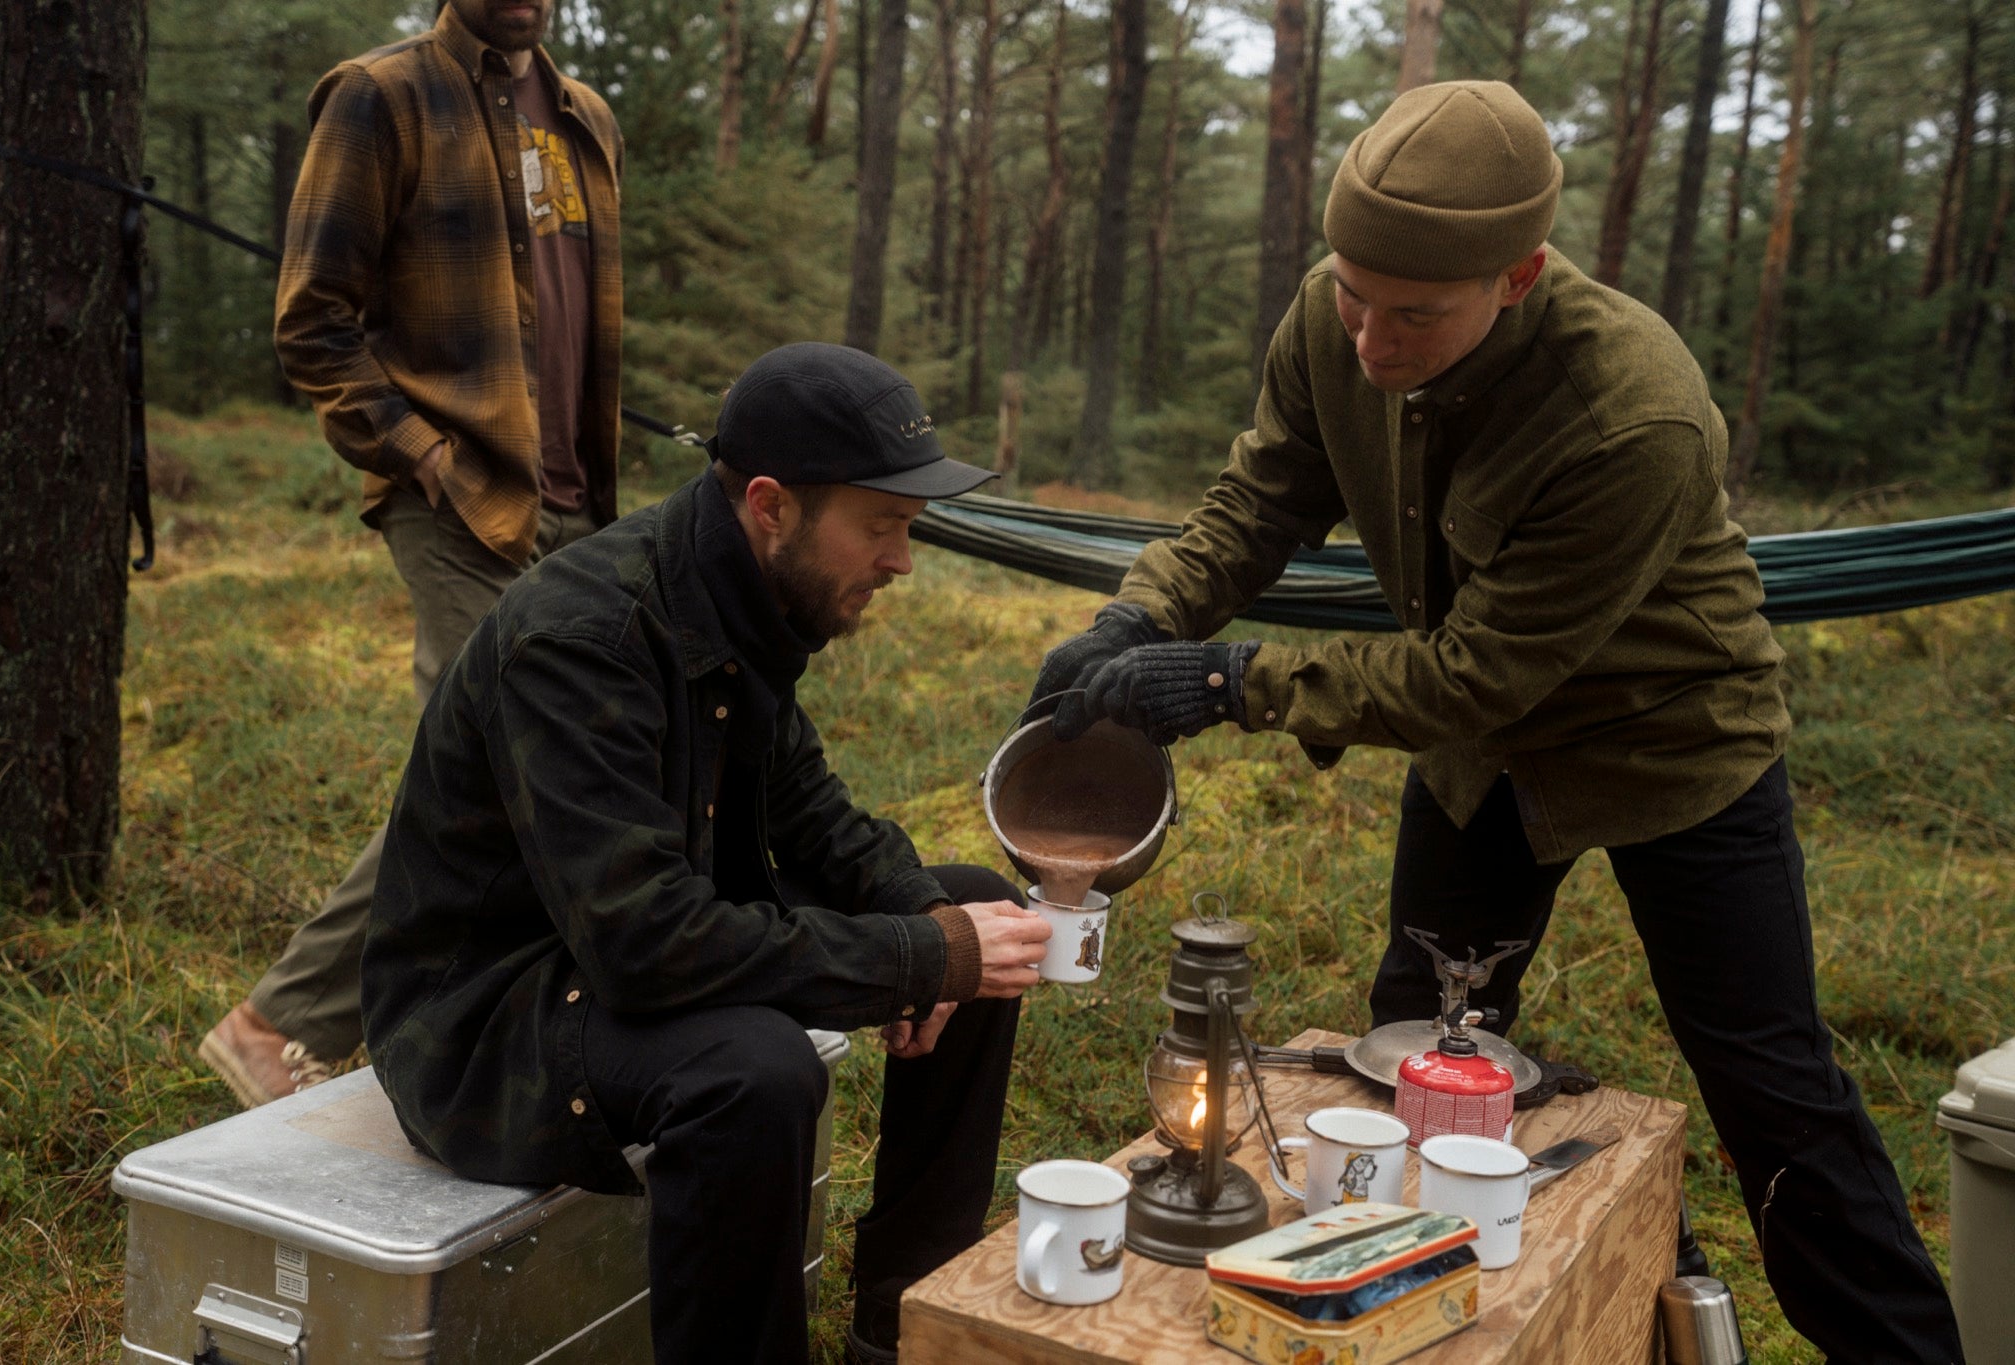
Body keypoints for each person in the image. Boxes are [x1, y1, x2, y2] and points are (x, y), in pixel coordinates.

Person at [1030, 81, 1962, 1362]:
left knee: (1773, 1092)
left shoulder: (1628, 411)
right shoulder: (1335, 310)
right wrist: (1139, 622)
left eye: (1413, 314)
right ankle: (1430, 1322)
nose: (1367, 339)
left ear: (1517, 276)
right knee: (1410, 1063)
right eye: (1352, 293)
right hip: (1475, 770)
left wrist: (1225, 683)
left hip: (1671, 754)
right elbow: (1257, 504)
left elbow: (1480, 674)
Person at [361, 343, 1054, 1365]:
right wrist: (916, 957)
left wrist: (923, 917)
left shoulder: (738, 595)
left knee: (970, 905)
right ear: (771, 506)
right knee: (753, 1073)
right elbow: (642, 944)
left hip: (620, 946)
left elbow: (808, 811)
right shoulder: (583, 640)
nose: (900, 561)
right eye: (882, 527)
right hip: (489, 1020)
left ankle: (903, 1319)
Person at [200, 0, 624, 1107]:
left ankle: (465, 1019)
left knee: (548, 765)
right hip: (459, 501)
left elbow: (572, 321)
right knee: (485, 764)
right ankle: (274, 1022)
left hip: (575, 502)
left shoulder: (583, 120)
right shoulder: (379, 97)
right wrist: (427, 457)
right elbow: (313, 322)